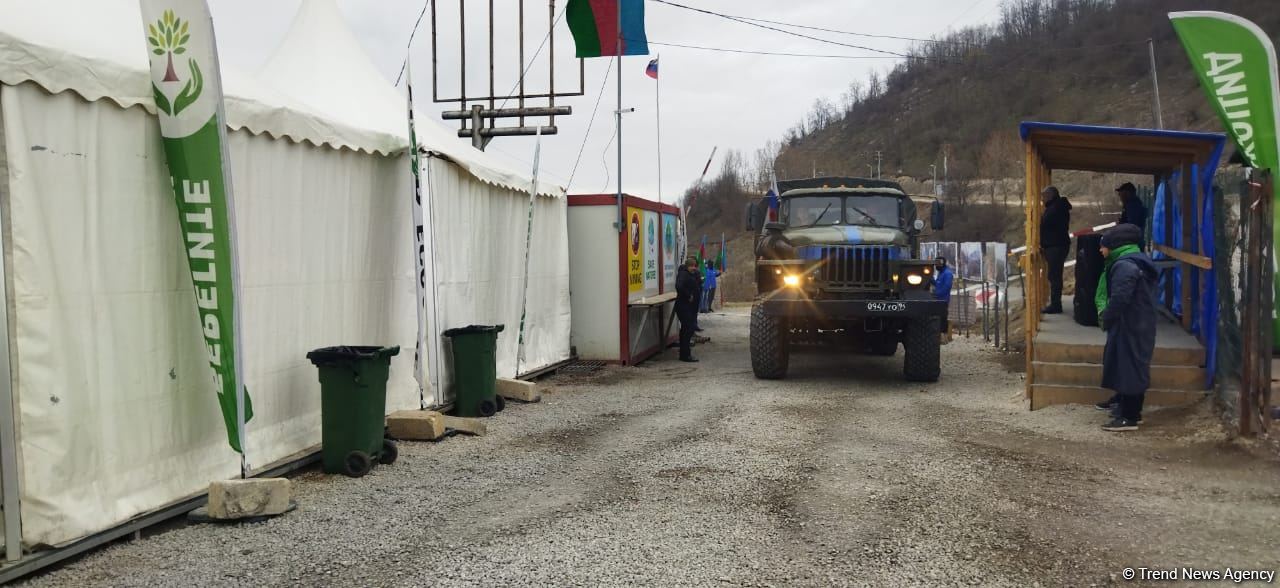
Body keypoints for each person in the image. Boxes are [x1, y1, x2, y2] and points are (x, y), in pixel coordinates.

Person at [1094, 224, 1157, 432]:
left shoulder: (1124, 267)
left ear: (1113, 246)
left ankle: (1130, 416)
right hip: (1135, 323)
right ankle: (1123, 404)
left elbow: (1121, 298)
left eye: (1102, 246)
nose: (1100, 251)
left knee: (1130, 366)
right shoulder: (1132, 261)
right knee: (1126, 364)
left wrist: (1108, 316)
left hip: (1131, 324)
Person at [1039, 186, 1072, 314]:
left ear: (1051, 196)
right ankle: (1054, 303)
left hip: (1055, 246)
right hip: (1056, 245)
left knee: (1054, 275)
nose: (1042, 199)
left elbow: (1045, 223)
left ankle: (1056, 304)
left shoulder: (1055, 209)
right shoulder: (1058, 207)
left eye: (1044, 196)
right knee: (1054, 275)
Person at [675, 257, 702, 362]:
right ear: (688, 266)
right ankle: (685, 355)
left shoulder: (691, 274)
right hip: (683, 305)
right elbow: (679, 286)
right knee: (688, 329)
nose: (694, 268)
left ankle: (684, 353)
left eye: (694, 266)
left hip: (688, 307)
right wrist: (688, 295)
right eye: (692, 266)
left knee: (686, 329)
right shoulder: (683, 274)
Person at [932, 256, 954, 336]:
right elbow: (938, 284)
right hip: (938, 299)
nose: (936, 266)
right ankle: (940, 335)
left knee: (943, 318)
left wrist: (937, 294)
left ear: (943, 263)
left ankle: (944, 335)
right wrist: (931, 279)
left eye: (938, 264)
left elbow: (947, 287)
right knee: (938, 318)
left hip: (943, 300)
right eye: (936, 263)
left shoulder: (947, 274)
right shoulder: (940, 273)